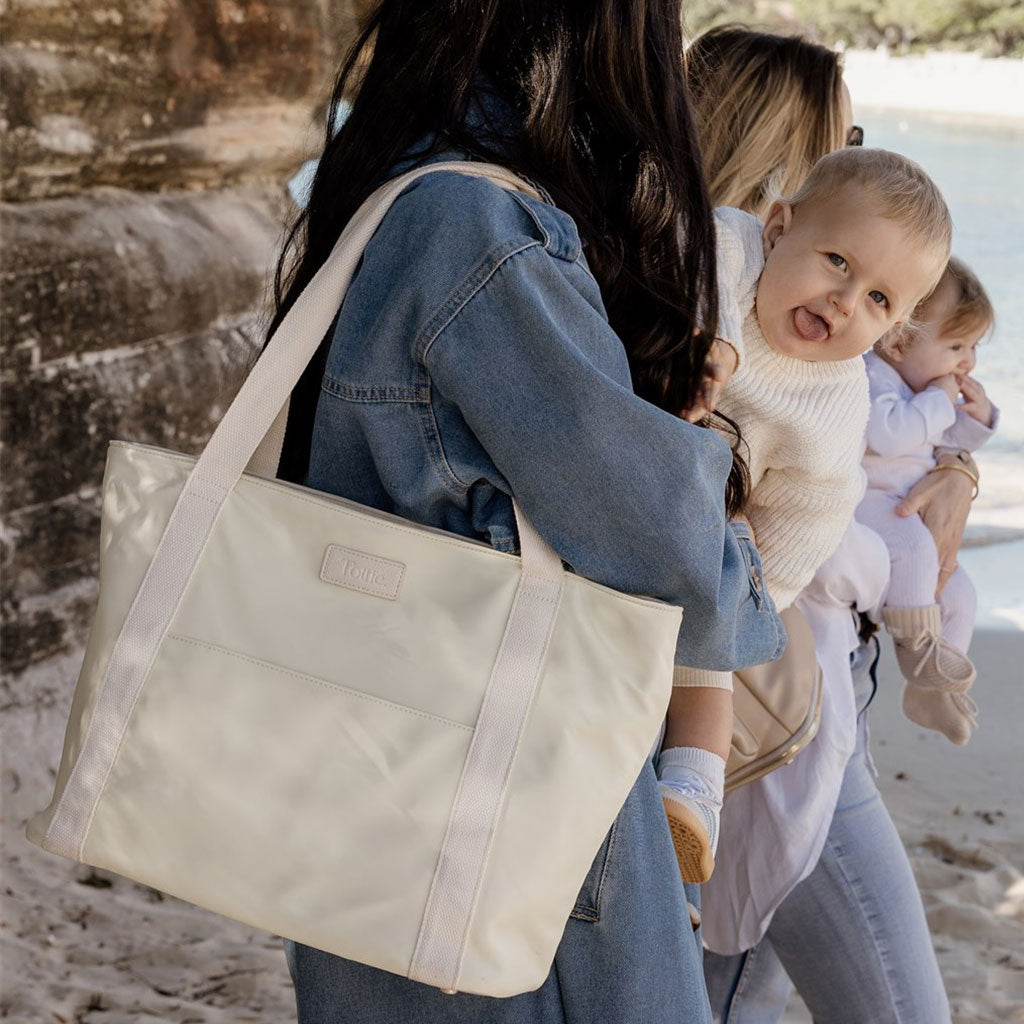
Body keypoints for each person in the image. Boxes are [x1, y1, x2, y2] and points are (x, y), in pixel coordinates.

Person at [269, 3, 783, 1022]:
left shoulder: (393, 178)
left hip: (365, 768)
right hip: (500, 784)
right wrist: (708, 477)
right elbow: (667, 556)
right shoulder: (485, 225)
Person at [683, 25, 974, 1023]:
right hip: (777, 702)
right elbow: (795, 534)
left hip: (809, 681)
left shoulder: (825, 300)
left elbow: (886, 431)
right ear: (781, 171)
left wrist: (957, 468)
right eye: (837, 126)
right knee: (894, 1003)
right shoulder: (710, 295)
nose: (856, 136)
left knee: (720, 990)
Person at [658, 147, 952, 883]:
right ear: (779, 228)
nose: (847, 302)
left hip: (711, 537)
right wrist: (714, 343)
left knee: (708, 666)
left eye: (880, 300)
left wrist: (752, 593)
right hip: (640, 471)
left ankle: (691, 793)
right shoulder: (732, 246)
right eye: (838, 262)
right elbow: (702, 254)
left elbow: (813, 508)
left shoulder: (837, 400)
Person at [858, 258, 998, 744]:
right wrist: (939, 399)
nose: (968, 362)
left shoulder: (922, 390)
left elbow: (946, 445)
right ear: (898, 341)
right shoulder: (876, 375)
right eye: (956, 345)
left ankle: (931, 687)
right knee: (916, 550)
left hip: (904, 508)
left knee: (961, 593)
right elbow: (890, 434)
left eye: (974, 347)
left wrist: (976, 420)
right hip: (871, 505)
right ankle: (917, 648)